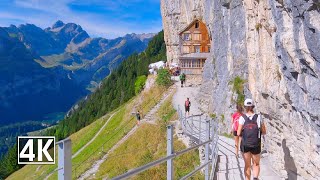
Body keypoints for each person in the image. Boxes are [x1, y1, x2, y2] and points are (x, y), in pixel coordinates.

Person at [237, 99, 266, 180]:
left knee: (247, 165)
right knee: (256, 164)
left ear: (245, 107)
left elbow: (238, 133)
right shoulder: (259, 117)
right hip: (256, 144)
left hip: (245, 144)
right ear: (253, 106)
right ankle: (255, 178)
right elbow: (264, 132)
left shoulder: (242, 118)